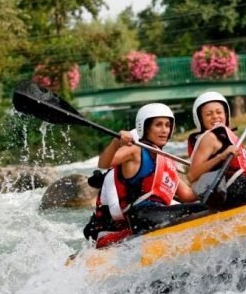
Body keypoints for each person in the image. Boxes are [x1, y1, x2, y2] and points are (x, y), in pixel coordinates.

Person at [84, 103, 197, 247]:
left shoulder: (166, 160)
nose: (164, 130)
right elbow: (104, 163)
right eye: (158, 125)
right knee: (198, 209)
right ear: (145, 128)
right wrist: (115, 143)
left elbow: (188, 195)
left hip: (158, 214)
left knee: (203, 205)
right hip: (142, 216)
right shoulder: (135, 150)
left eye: (168, 125)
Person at [187, 91, 246, 206]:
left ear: (226, 114)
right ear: (200, 119)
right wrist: (221, 156)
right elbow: (192, 175)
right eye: (208, 114)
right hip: (231, 190)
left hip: (240, 186)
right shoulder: (209, 138)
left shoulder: (228, 139)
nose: (215, 117)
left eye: (219, 112)